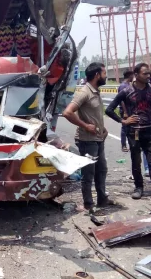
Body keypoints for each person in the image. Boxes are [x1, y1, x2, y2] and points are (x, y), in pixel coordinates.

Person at [63, 62, 110, 212]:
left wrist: (103, 128)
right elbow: (67, 112)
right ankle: (88, 204)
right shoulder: (85, 92)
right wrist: (85, 126)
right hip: (87, 140)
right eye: (104, 73)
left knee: (101, 170)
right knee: (88, 174)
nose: (106, 76)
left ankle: (102, 199)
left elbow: (93, 114)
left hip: (98, 139)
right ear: (97, 75)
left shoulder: (95, 91)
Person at [105, 63, 151, 199]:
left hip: (149, 131)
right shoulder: (126, 91)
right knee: (136, 162)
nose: (148, 76)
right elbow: (109, 110)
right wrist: (123, 121)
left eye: (149, 73)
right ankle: (139, 187)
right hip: (134, 133)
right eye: (145, 73)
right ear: (136, 75)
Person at [118, 70, 134, 152]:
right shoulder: (123, 86)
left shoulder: (129, 85)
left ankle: (133, 145)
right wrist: (125, 112)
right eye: (132, 75)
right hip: (125, 111)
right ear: (129, 75)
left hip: (130, 110)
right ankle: (123, 145)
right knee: (124, 128)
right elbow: (121, 100)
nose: (133, 77)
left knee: (131, 128)